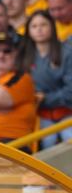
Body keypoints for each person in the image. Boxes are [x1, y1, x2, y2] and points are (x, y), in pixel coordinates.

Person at [18, 10, 72, 148]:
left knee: (69, 138)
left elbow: (70, 89)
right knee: (47, 143)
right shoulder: (24, 56)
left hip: (68, 111)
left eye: (43, 24)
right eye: (34, 26)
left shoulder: (67, 52)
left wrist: (46, 98)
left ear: (52, 27)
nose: (39, 29)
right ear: (28, 31)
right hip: (40, 114)